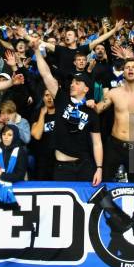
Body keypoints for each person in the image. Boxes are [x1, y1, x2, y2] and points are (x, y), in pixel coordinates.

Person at [31, 38, 103, 185]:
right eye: (71, 82)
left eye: (77, 83)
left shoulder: (91, 111)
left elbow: (97, 143)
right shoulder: (62, 98)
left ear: (86, 89)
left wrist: (99, 168)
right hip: (62, 167)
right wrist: (37, 51)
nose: (72, 85)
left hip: (85, 166)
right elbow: (46, 74)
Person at [93, 59, 134, 183]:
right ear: (123, 72)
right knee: (105, 182)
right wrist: (91, 104)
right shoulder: (114, 93)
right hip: (114, 145)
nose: (130, 69)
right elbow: (98, 109)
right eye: (127, 67)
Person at [0, 124, 28, 209]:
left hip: (17, 190)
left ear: (15, 136)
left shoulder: (21, 152)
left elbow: (19, 175)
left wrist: (1, 175)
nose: (6, 137)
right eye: (4, 134)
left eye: (9, 135)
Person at [30, 89, 57, 180]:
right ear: (43, 98)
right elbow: (37, 135)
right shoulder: (37, 114)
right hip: (42, 159)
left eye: (51, 95)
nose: (49, 98)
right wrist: (42, 114)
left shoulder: (62, 113)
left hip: (59, 160)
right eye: (46, 95)